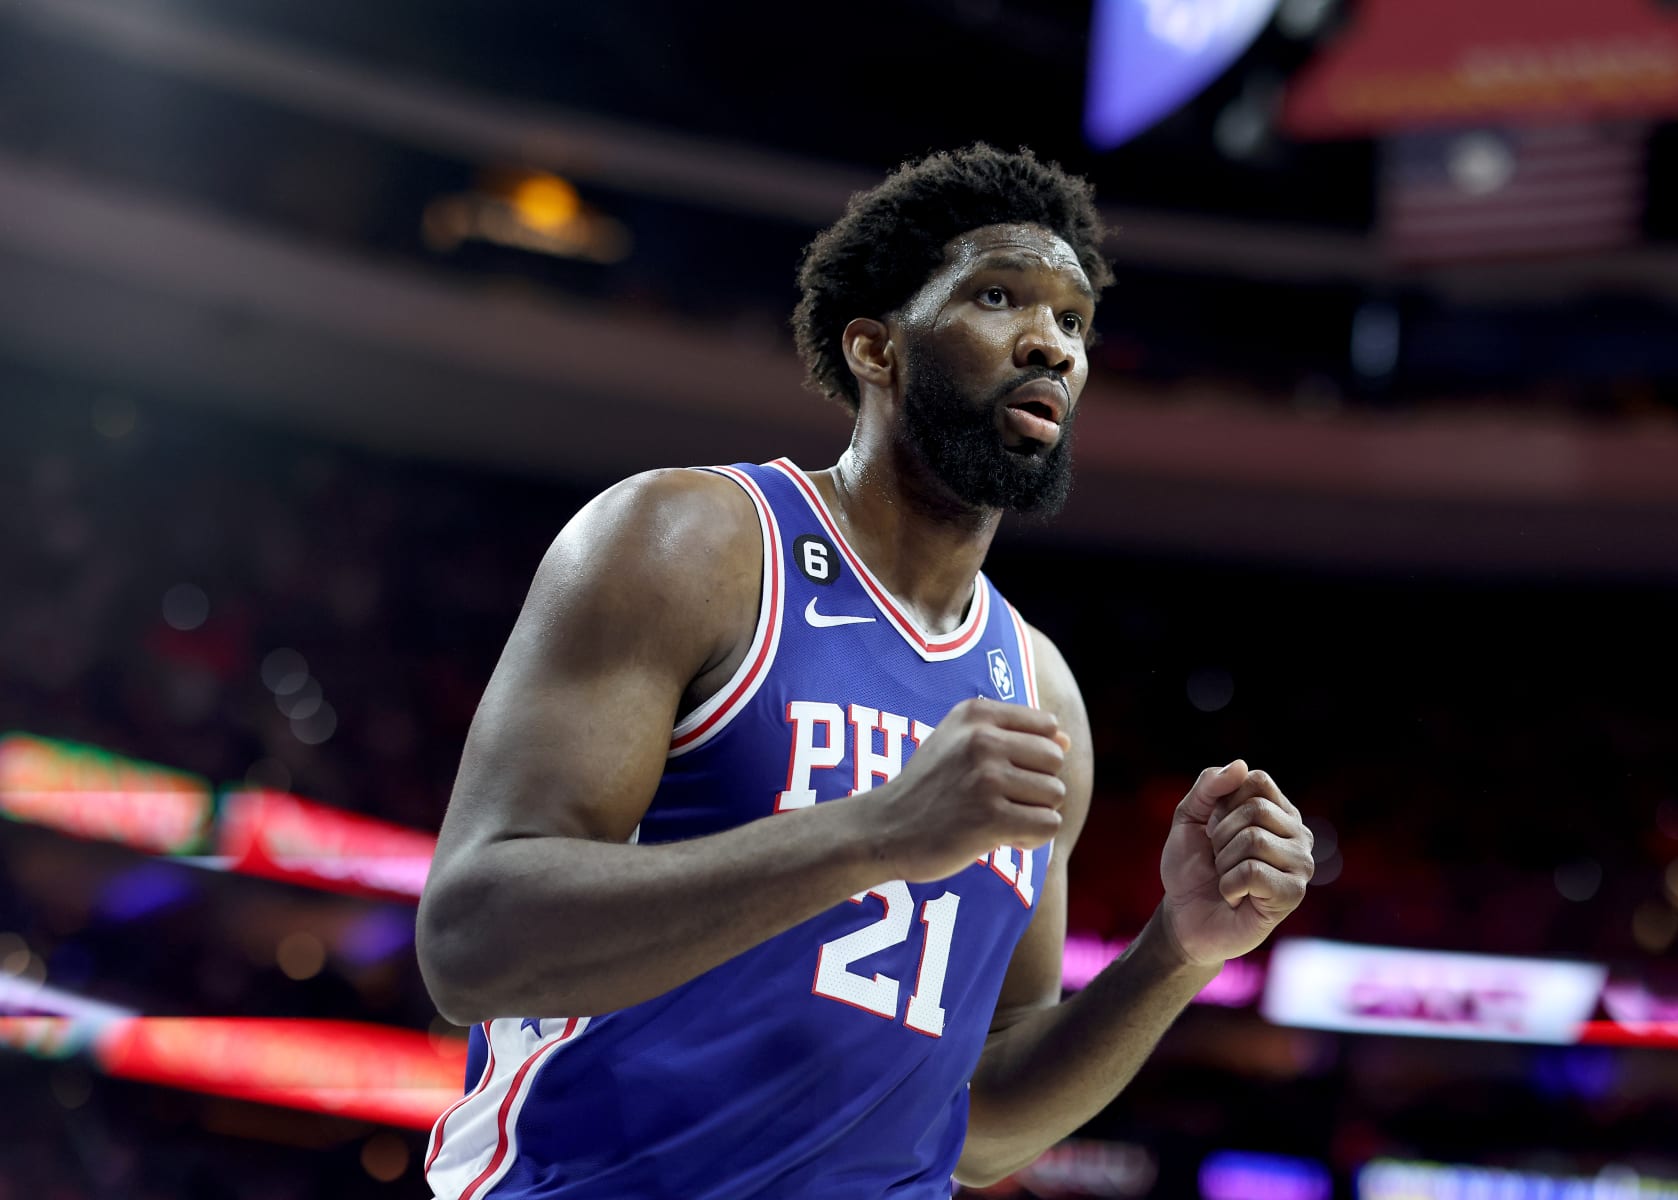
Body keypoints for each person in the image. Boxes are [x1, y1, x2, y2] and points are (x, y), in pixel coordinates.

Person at [415, 143, 1315, 1200]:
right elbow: (474, 944)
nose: (1052, 346)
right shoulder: (692, 544)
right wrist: (876, 833)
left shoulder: (1037, 689)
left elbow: (985, 1127)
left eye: (1073, 322)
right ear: (877, 349)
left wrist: (1180, 952)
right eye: (998, 297)